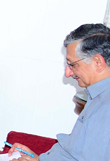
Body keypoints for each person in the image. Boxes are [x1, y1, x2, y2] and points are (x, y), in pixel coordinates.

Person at [8, 24, 110, 161]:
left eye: (72, 64)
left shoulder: (106, 107)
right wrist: (39, 159)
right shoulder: (98, 94)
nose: (68, 73)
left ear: (98, 62)